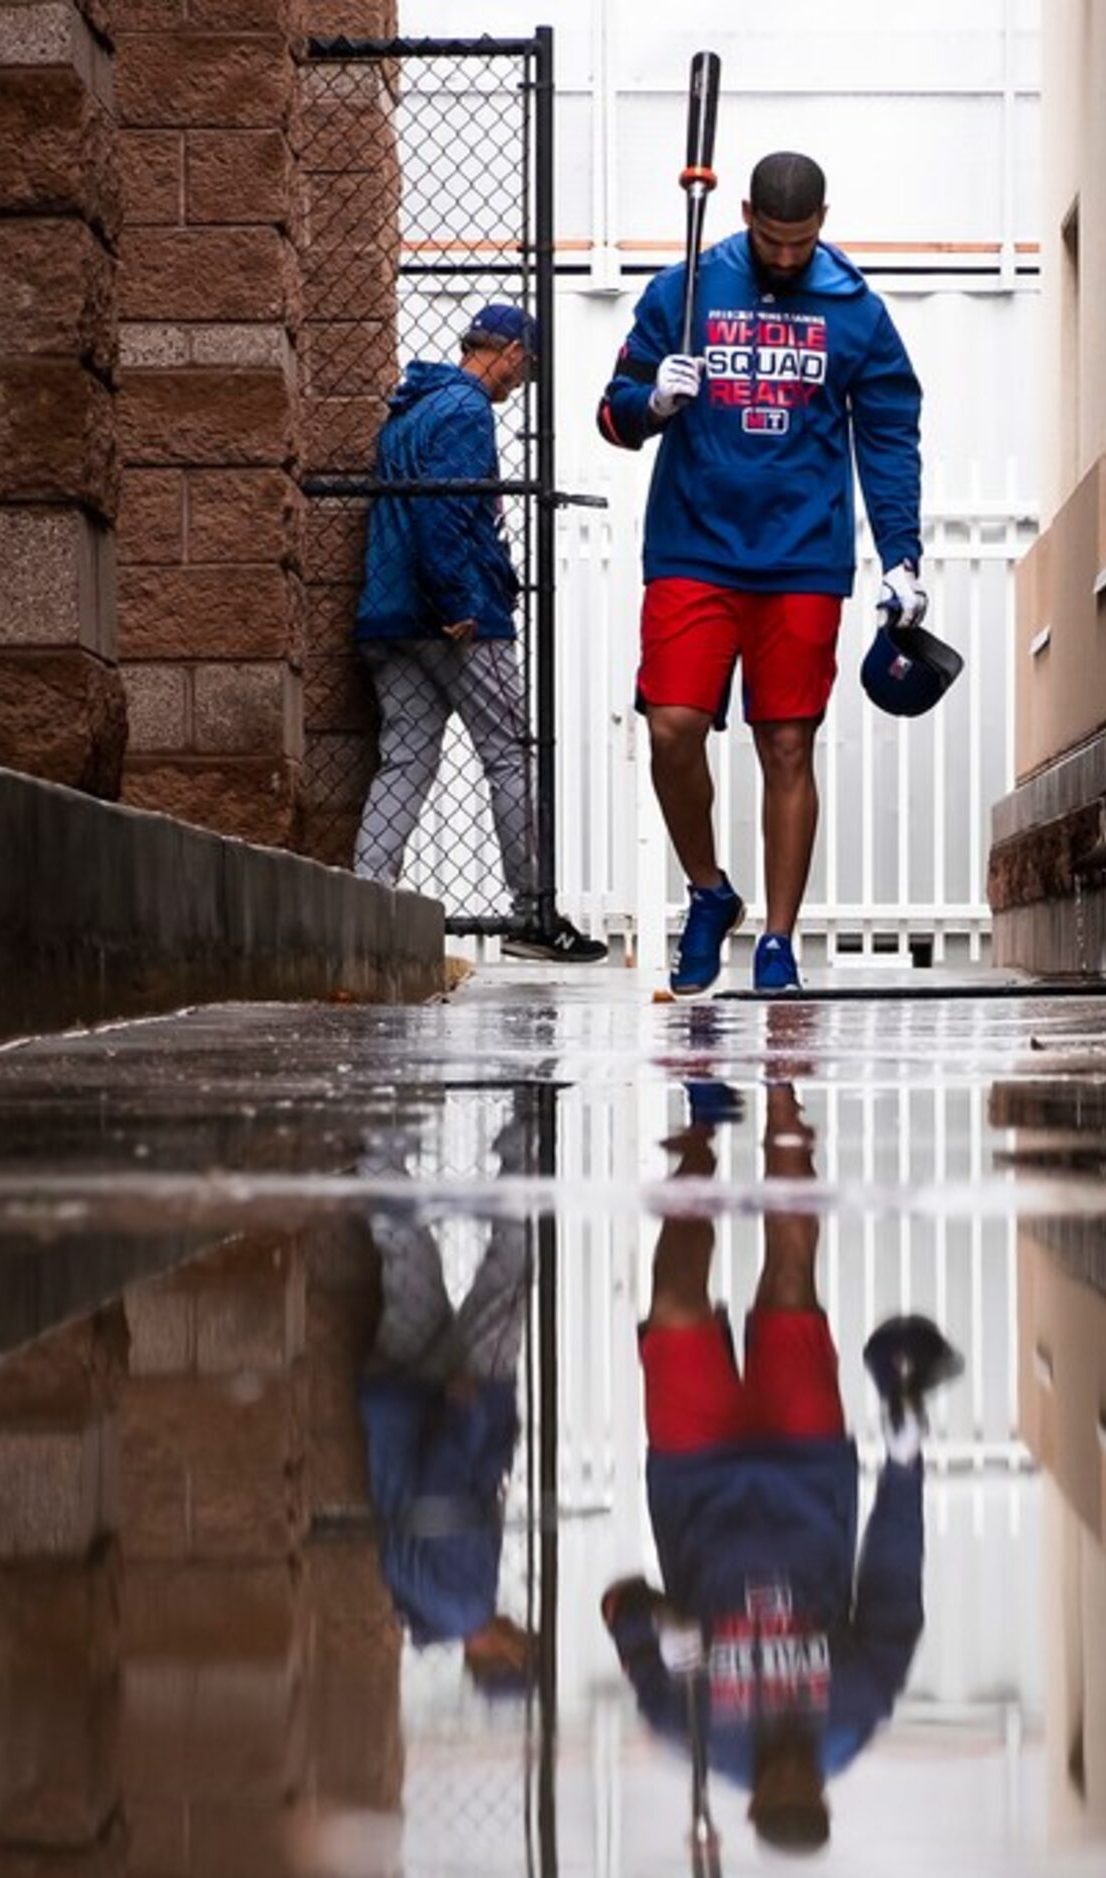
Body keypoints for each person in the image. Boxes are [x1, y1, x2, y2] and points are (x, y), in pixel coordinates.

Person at [600, 1080, 963, 1855]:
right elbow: (895, 1582)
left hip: (694, 1477)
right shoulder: (859, 1709)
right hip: (807, 1470)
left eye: (778, 1783)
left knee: (672, 1301)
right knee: (793, 1280)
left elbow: (616, 1608)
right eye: (808, 1779)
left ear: (755, 1800)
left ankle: (698, 1143)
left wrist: (659, 1624)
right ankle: (782, 1097)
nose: (792, 1766)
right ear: (825, 1792)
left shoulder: (688, 1728)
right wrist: (904, 1462)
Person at [597, 152, 927, 995]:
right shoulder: (683, 293)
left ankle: (778, 942)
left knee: (787, 743)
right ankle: (709, 892)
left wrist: (902, 555)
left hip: (801, 558)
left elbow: (888, 438)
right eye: (772, 240)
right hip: (694, 548)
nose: (786, 257)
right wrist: (652, 403)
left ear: (823, 221)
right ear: (744, 213)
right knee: (671, 726)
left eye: (802, 241)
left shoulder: (856, 312)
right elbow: (613, 412)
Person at [357, 302, 606, 964]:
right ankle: (533, 915)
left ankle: (364, 907)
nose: (518, 385)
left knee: (406, 758)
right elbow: (446, 512)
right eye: (523, 371)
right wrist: (460, 600)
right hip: (457, 622)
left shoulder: (411, 409)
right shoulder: (466, 410)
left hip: (390, 615)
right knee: (511, 753)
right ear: (513, 354)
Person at [355, 1110, 541, 1702]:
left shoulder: (466, 1599)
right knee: (407, 1262)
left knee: (511, 1275)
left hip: (453, 1404)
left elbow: (444, 1501)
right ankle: (381, 1157)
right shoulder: (422, 1610)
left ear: (507, 1656)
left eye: (528, 1647)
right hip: (393, 1405)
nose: (529, 1634)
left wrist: (464, 1419)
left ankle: (521, 1148)